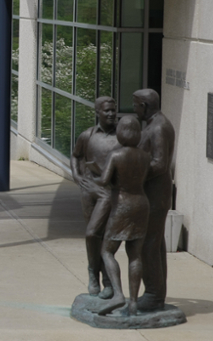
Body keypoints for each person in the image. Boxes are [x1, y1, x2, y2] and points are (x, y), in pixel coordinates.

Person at [93, 116, 152, 316]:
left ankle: (118, 294)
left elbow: (104, 180)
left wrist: (93, 171)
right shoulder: (145, 156)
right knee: (135, 254)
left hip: (123, 205)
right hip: (141, 204)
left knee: (107, 251)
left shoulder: (116, 155)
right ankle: (133, 303)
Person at [70, 96, 121, 298]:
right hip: (89, 190)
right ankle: (94, 274)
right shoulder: (87, 135)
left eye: (113, 110)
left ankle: (107, 279)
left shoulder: (122, 136)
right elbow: (76, 155)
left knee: (102, 236)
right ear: (97, 112)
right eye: (106, 110)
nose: (110, 114)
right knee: (92, 236)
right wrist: (76, 175)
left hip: (109, 191)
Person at [133, 88, 176, 312]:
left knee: (148, 245)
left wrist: (134, 172)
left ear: (145, 106)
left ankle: (153, 295)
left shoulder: (158, 126)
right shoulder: (153, 124)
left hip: (155, 195)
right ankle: (156, 293)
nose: (133, 109)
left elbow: (159, 163)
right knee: (155, 244)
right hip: (153, 193)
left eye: (135, 104)